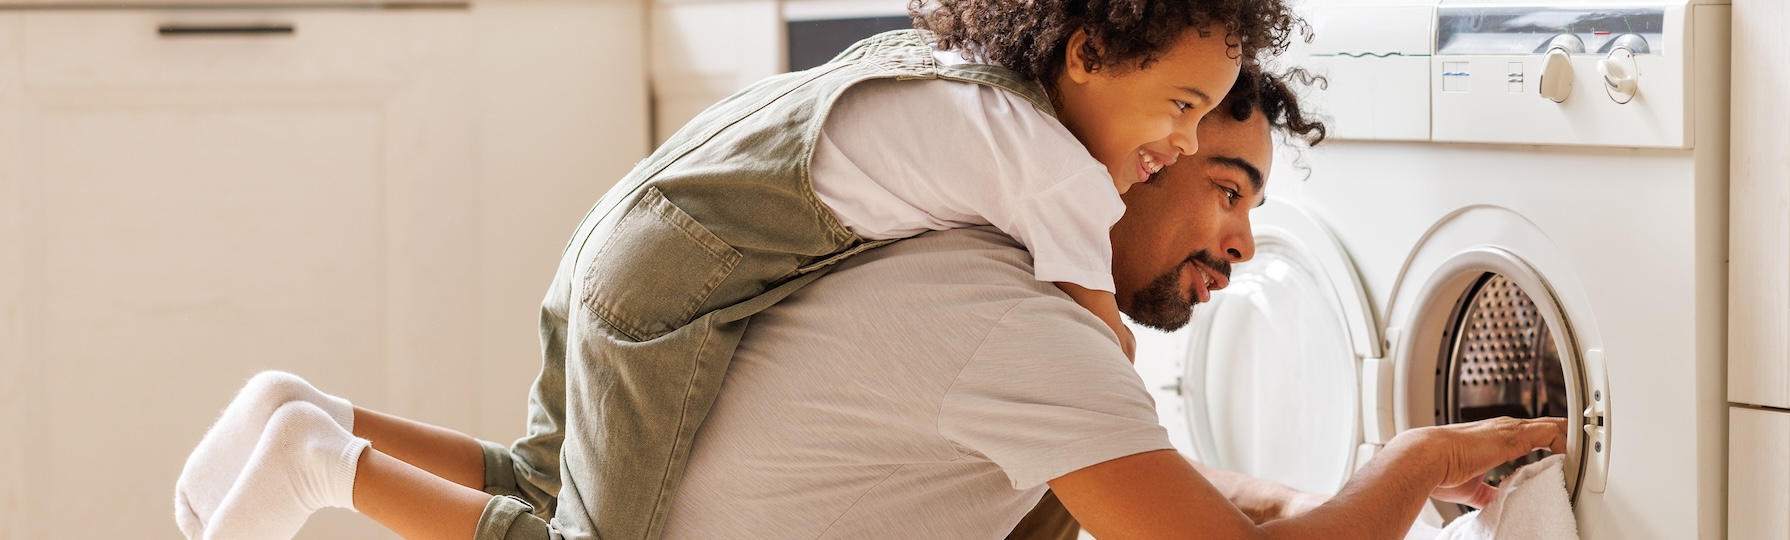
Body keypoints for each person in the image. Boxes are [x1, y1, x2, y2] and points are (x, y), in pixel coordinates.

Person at [174, 67, 1567, 540]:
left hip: (635, 319)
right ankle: (326, 459)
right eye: (1217, 178)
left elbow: (1103, 480)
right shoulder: (1023, 325)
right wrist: (1409, 466)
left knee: (543, 498)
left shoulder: (987, 258)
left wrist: (1234, 496)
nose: (1247, 242)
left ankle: (323, 423)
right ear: (1129, 145)